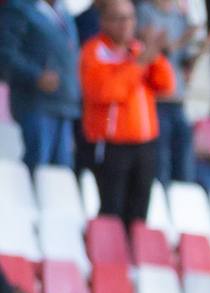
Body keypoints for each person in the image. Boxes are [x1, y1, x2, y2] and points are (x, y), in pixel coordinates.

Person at [79, 0, 177, 226]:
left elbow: (165, 85)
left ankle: (133, 259)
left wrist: (154, 53)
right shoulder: (94, 51)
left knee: (139, 213)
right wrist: (139, 62)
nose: (126, 24)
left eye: (130, 18)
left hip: (145, 144)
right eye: (119, 18)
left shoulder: (137, 49)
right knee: (112, 212)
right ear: (104, 21)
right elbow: (105, 92)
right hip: (113, 146)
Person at [3, 0, 84, 169]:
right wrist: (36, 76)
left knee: (60, 173)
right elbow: (5, 55)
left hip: (64, 104)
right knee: (38, 167)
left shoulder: (63, 12)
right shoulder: (20, 9)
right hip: (36, 104)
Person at [131, 0, 201, 185]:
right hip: (156, 99)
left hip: (177, 99)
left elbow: (184, 62)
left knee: (184, 162)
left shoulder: (180, 17)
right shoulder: (144, 12)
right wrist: (183, 39)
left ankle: (182, 204)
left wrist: (203, 46)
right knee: (160, 162)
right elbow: (155, 50)